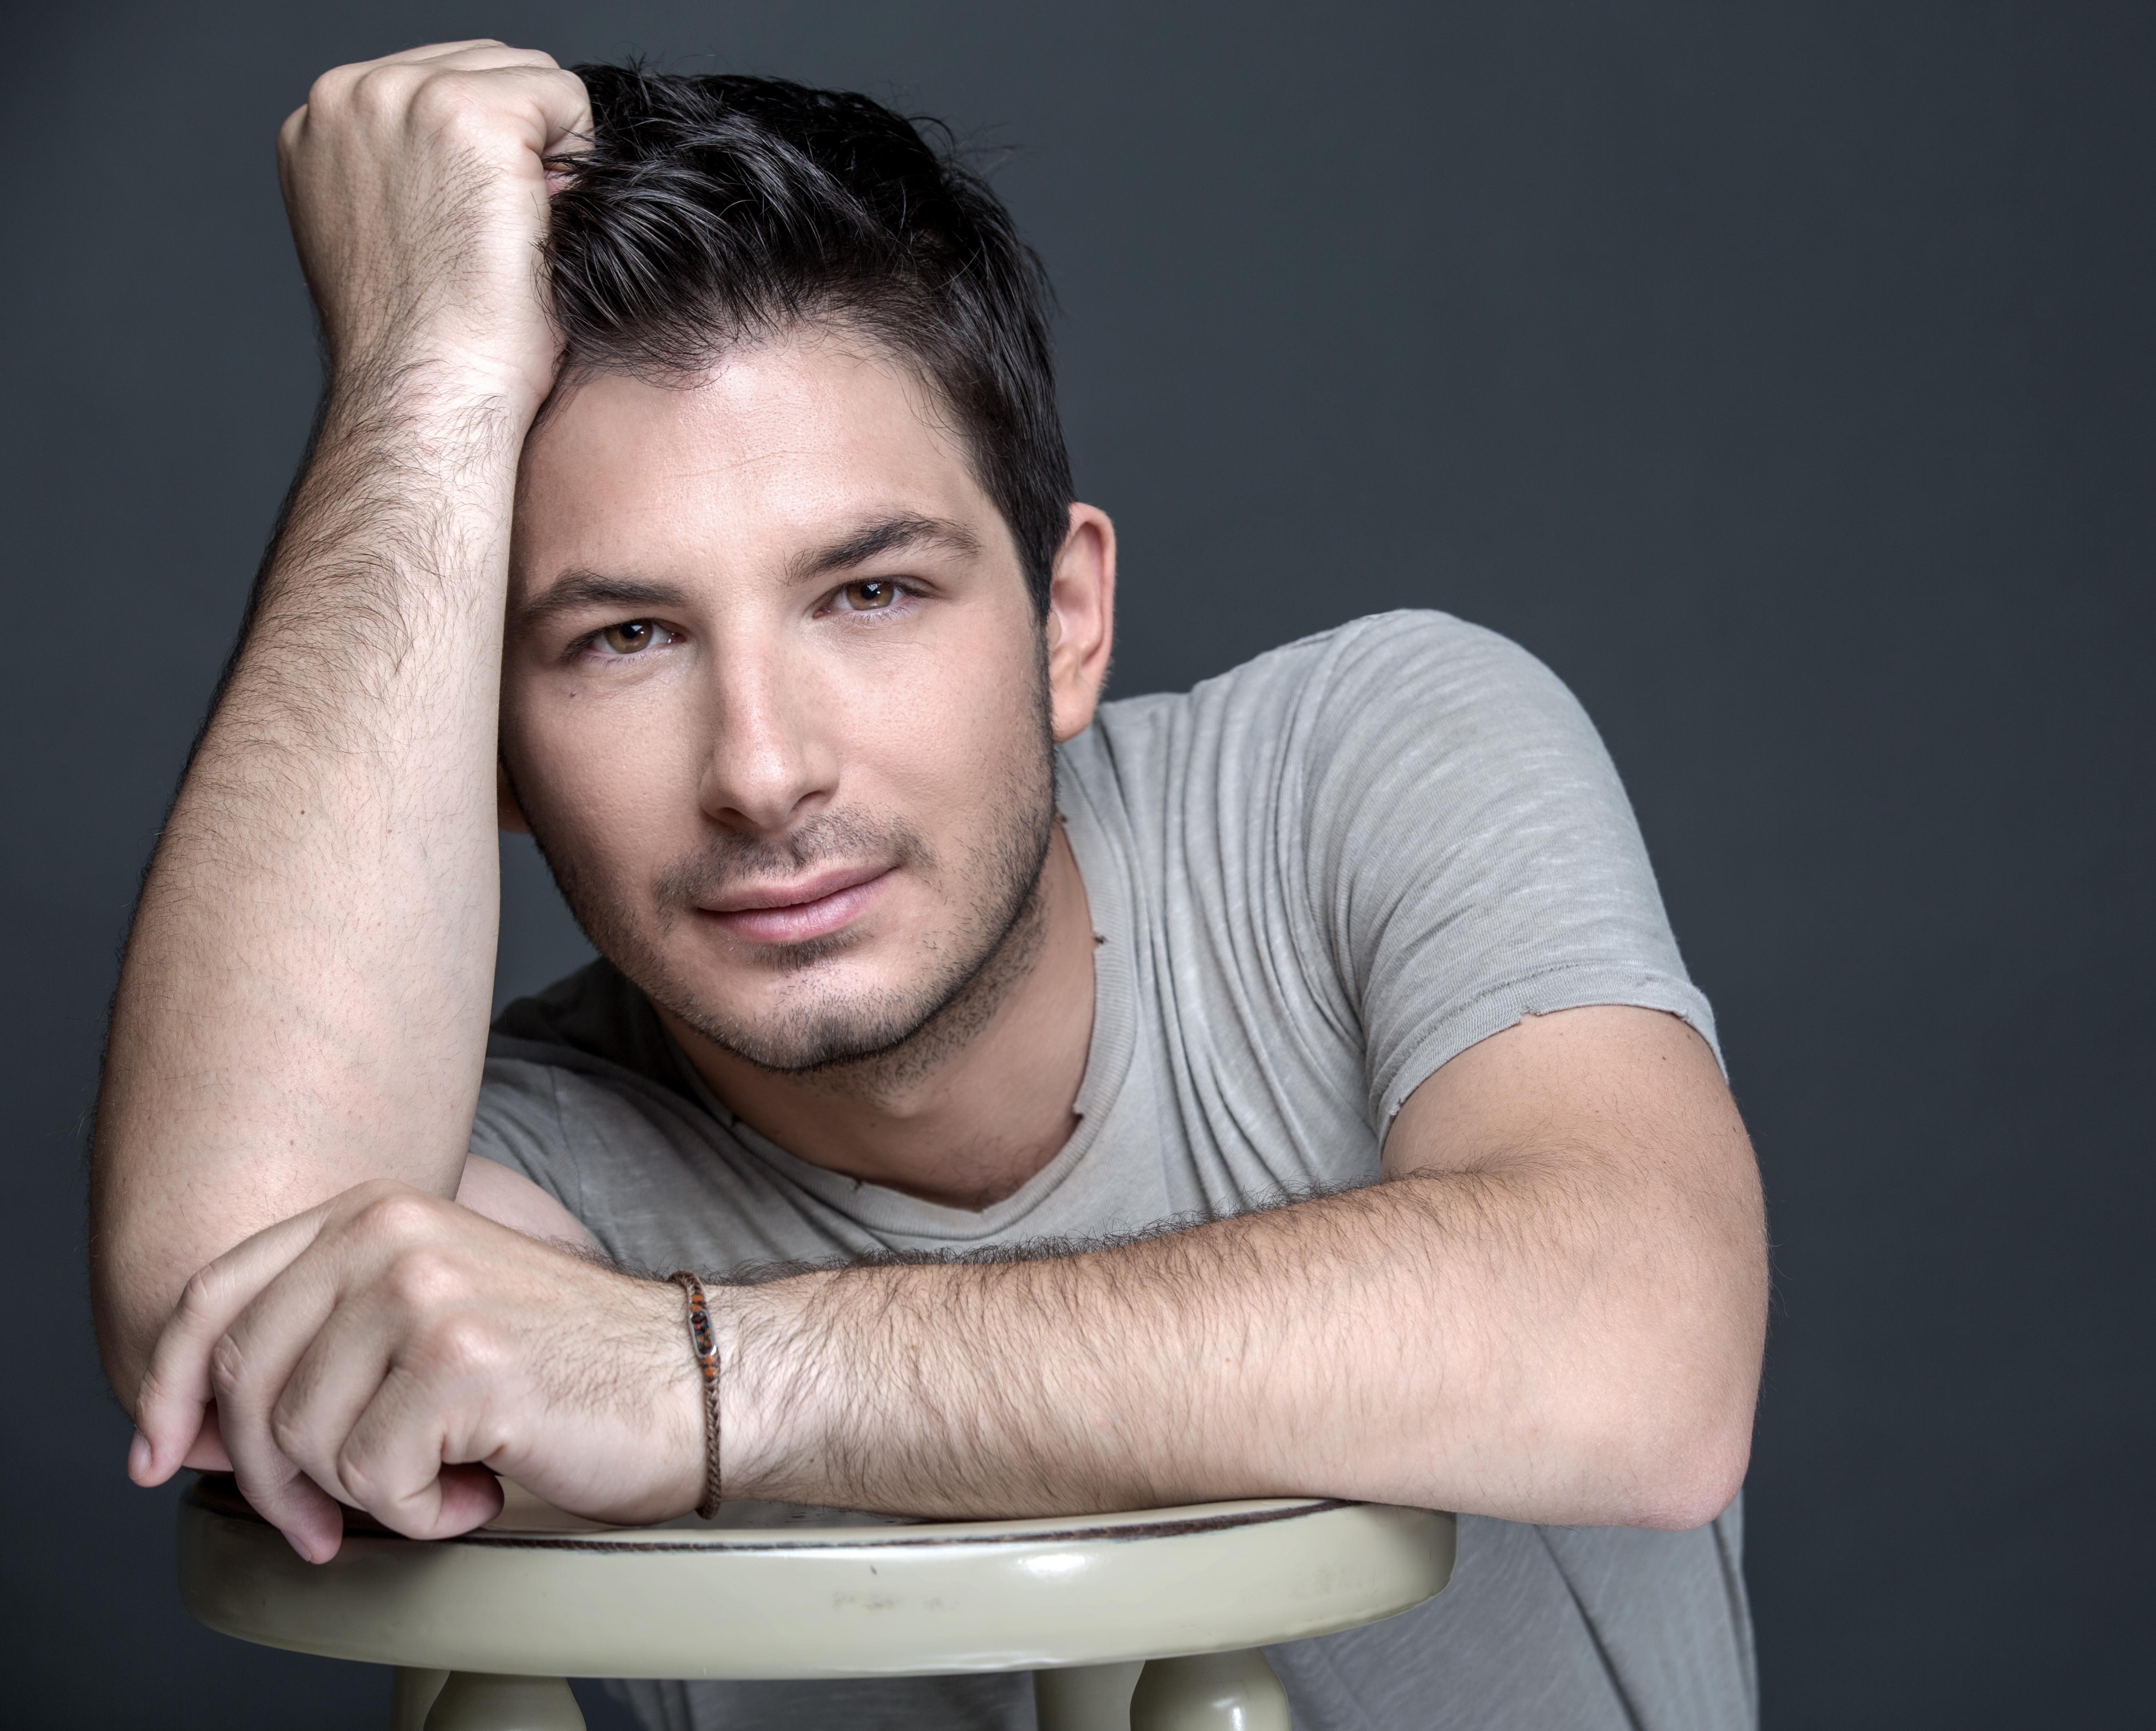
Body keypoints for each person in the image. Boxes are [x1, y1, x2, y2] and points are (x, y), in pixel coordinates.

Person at [90, 39, 1767, 1731]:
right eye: (627, 637)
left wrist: (704, 1379)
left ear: (1066, 622)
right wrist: (420, 374)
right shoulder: (524, 1180)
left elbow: (1645, 1341)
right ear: (492, 765)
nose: (763, 769)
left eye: (870, 594)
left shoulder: (1363, 766)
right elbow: (227, 1327)